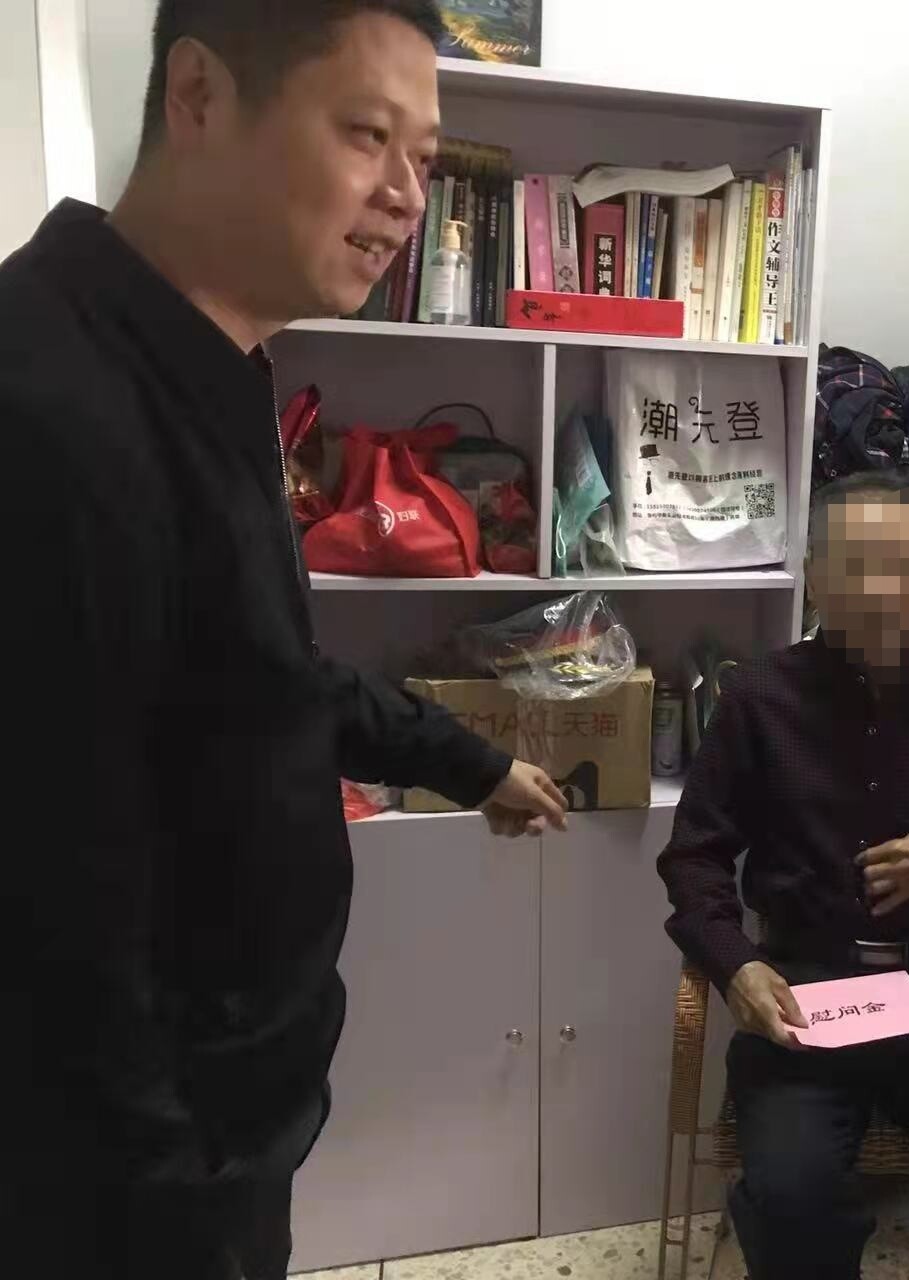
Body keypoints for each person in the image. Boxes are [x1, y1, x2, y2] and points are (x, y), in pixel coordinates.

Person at [0, 3, 569, 1276]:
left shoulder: (205, 360)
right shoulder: (46, 409)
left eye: (424, 156)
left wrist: (468, 760)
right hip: (134, 1192)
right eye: (367, 134)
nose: (407, 195)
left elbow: (253, 673)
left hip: (229, 1124)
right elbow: (53, 915)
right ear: (198, 96)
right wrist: (182, 1217)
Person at [657, 469, 909, 1280]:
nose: (880, 589)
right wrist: (735, 965)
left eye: (901, 564)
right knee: (791, 1197)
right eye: (855, 565)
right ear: (816, 576)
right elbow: (694, 856)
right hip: (808, 987)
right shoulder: (759, 700)